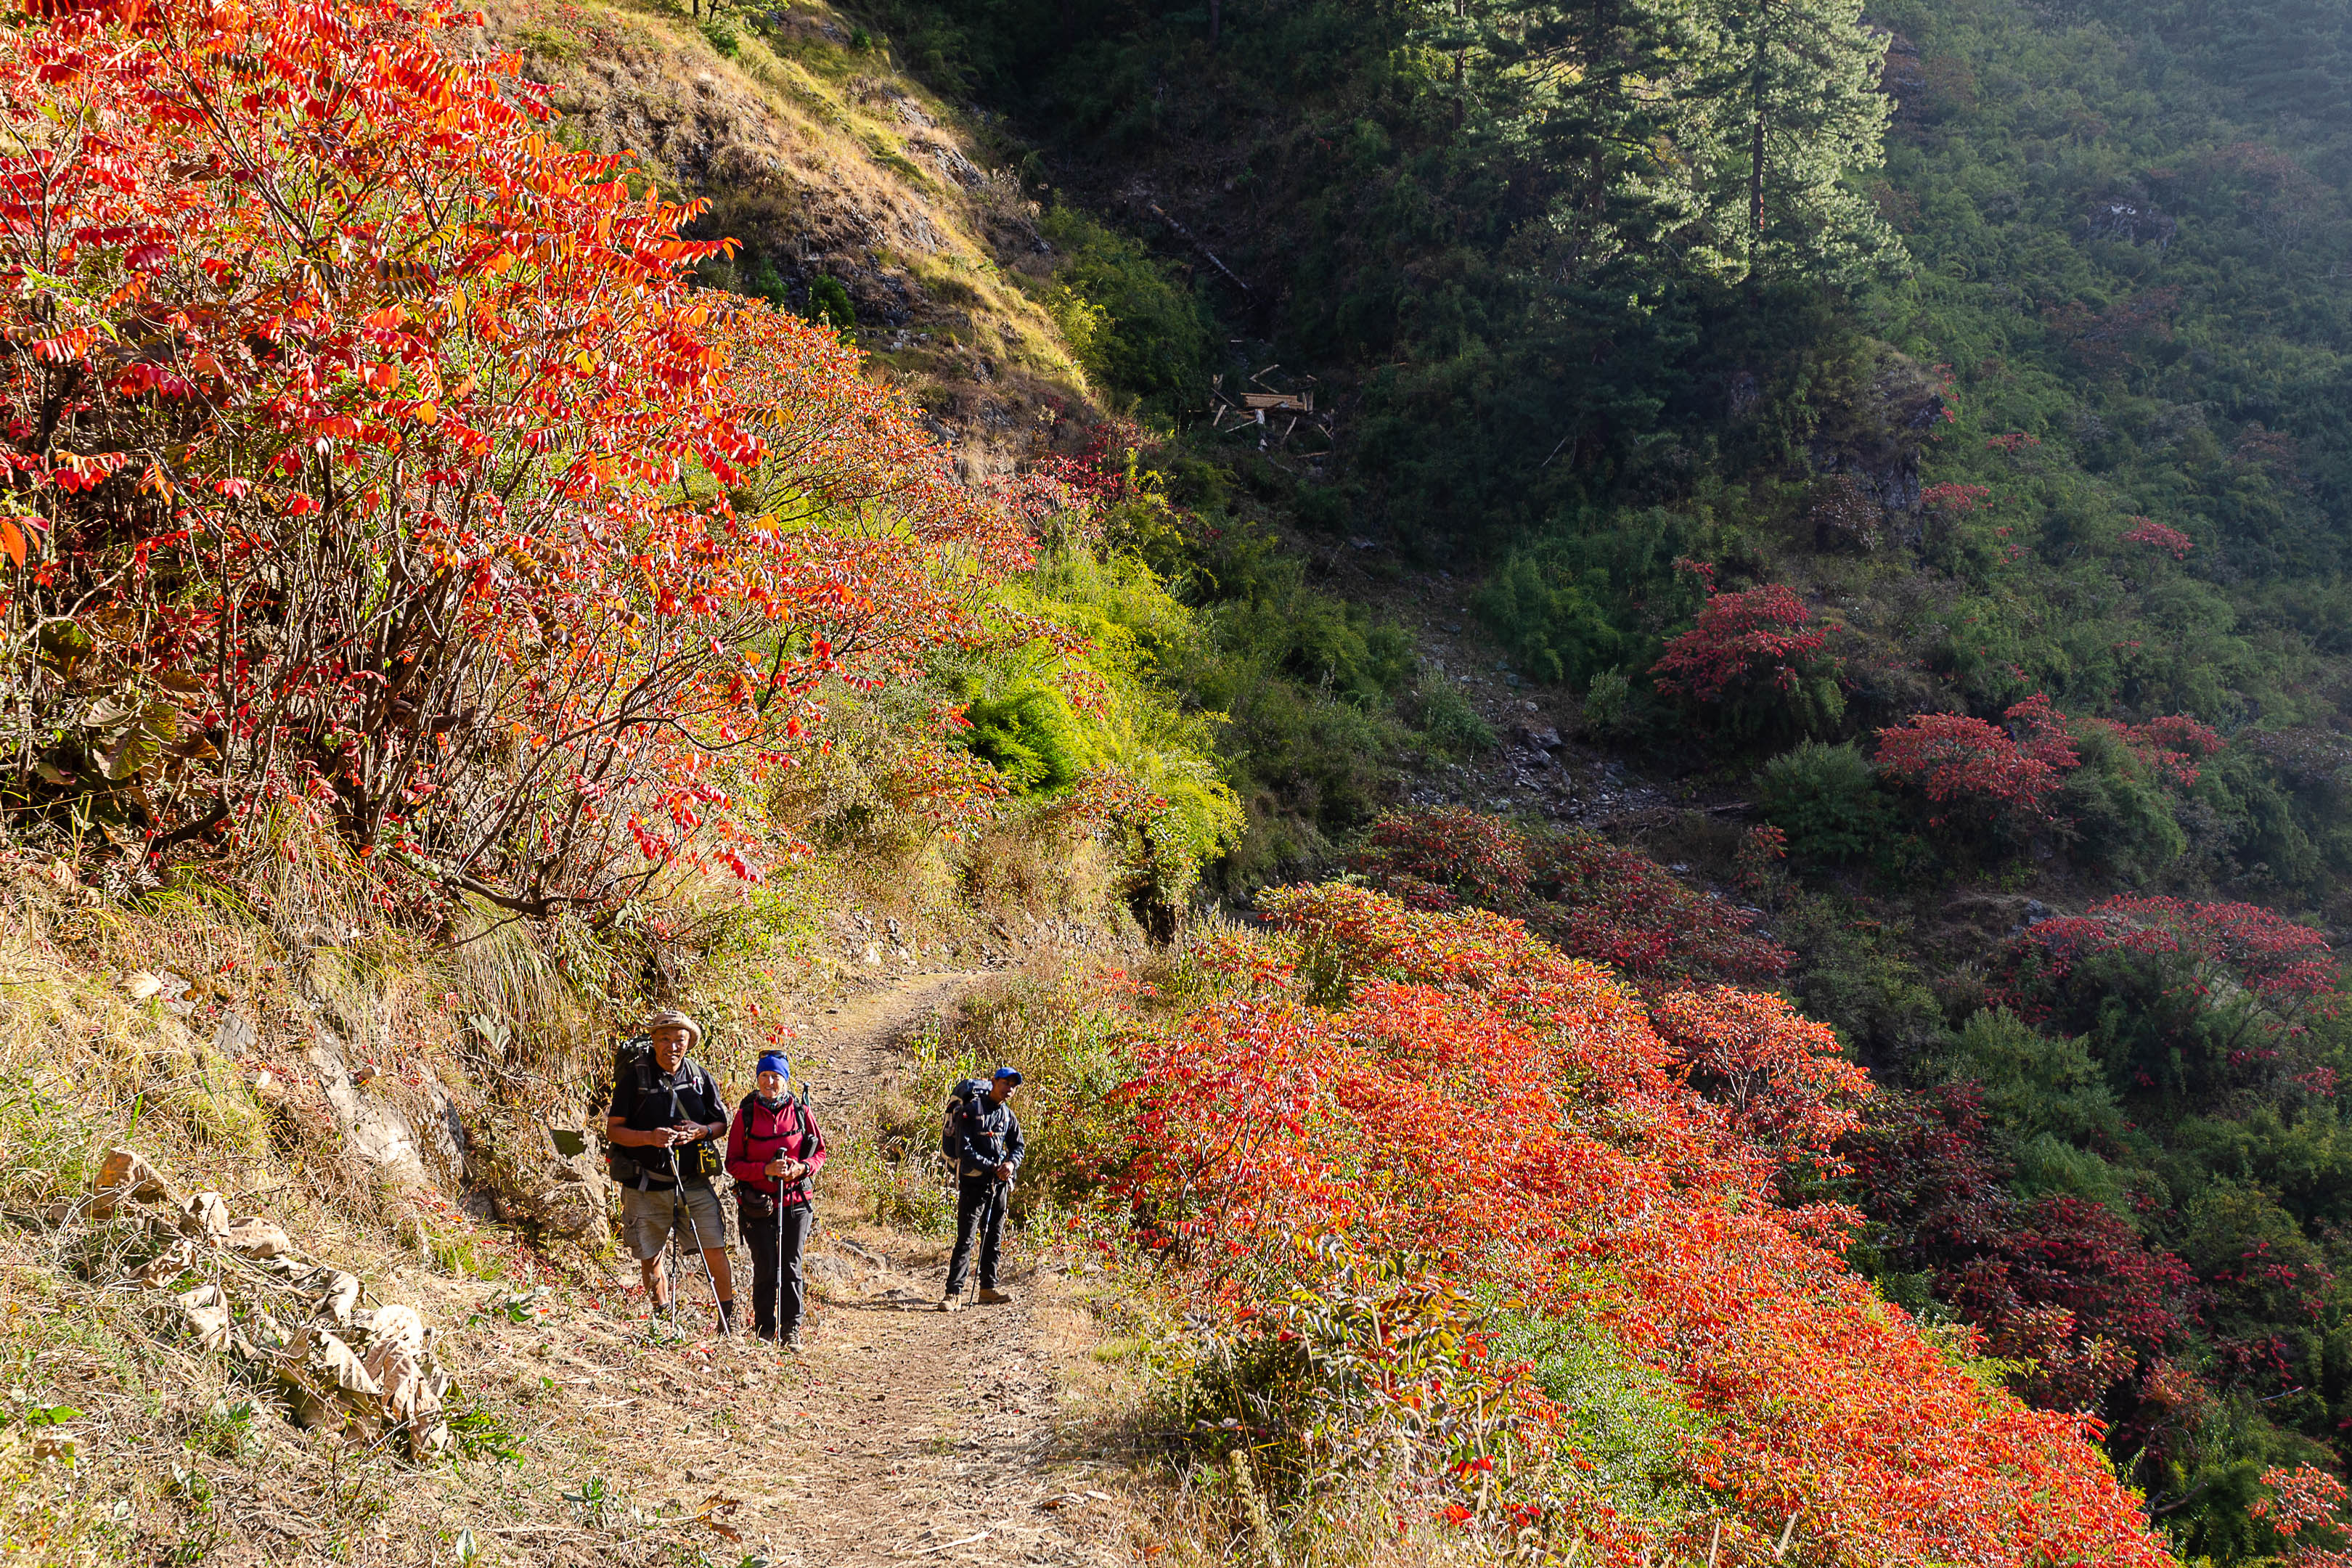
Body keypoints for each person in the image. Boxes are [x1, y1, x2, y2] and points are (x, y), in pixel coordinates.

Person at [605, 1009, 737, 1331]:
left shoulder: (699, 1077)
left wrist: (701, 1131)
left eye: (680, 1040)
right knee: (650, 1253)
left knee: (715, 1247)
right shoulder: (634, 1079)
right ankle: (662, 1316)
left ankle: (726, 1320)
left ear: (689, 1043)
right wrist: (650, 1138)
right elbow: (613, 1131)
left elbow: (721, 1123)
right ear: (653, 1040)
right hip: (646, 1183)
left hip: (693, 1181)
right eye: (665, 1039)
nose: (672, 1046)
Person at [724, 1050, 825, 1347]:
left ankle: (791, 1329)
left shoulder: (800, 1112)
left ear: (786, 1080)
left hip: (796, 1201)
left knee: (791, 1264)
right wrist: (765, 1170)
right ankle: (765, 1328)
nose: (770, 1082)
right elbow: (732, 1163)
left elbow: (819, 1152)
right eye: (764, 1076)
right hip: (757, 1204)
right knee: (766, 1265)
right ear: (757, 1079)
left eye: (776, 1077)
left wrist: (801, 1168)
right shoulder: (746, 1115)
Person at [941, 1066, 1024, 1312]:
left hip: (999, 1186)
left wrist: (1010, 1164)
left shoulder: (1008, 1116)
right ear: (993, 1082)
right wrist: (993, 1167)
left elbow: (1018, 1146)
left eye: (1013, 1085)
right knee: (965, 1239)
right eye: (1005, 1083)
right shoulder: (971, 1111)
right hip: (974, 1183)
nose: (1009, 1089)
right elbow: (963, 1150)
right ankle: (953, 1294)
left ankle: (988, 1288)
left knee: (994, 1237)